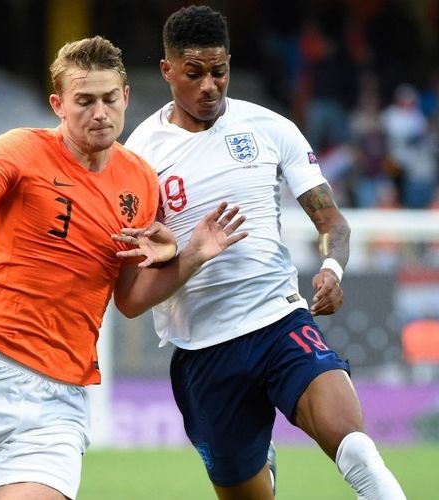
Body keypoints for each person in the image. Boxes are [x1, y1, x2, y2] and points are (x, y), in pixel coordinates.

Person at [0, 35, 247, 500]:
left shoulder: (141, 181)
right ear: (59, 104)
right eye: (84, 101)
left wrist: (191, 256)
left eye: (108, 99)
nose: (99, 112)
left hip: (60, 397)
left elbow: (128, 299)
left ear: (125, 98)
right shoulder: (21, 149)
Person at [123, 6, 406, 500]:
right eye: (194, 73)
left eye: (219, 71)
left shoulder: (270, 128)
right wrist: (173, 251)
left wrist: (332, 267)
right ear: (167, 70)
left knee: (356, 450)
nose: (210, 85)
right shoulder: (140, 153)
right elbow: (138, 271)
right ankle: (262, 465)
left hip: (280, 322)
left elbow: (332, 222)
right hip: (203, 351)